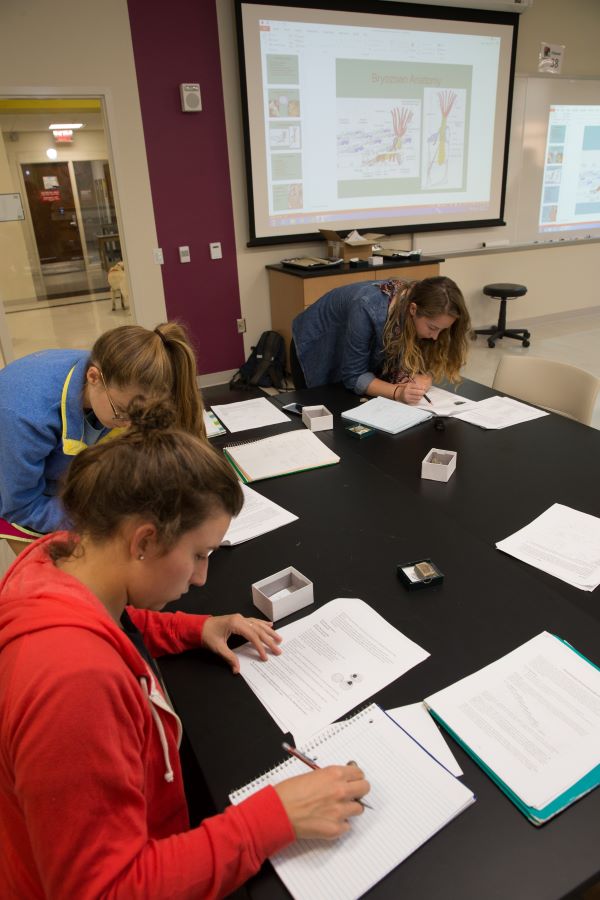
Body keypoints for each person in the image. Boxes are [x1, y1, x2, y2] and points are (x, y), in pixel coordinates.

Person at [0, 400, 370, 899]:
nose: (201, 578)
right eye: (199, 555)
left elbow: (116, 620)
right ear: (144, 541)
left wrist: (195, 629)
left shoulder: (60, 555)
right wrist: (273, 818)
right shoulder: (74, 687)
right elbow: (106, 890)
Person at [0, 321, 206, 547]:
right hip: (16, 493)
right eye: (123, 412)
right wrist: (101, 520)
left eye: (139, 415)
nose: (129, 424)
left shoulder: (115, 372)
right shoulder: (26, 418)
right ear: (93, 377)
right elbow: (21, 505)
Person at [290, 276, 471, 404]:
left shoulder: (415, 304)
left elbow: (414, 360)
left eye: (443, 330)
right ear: (413, 309)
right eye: (432, 328)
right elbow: (354, 376)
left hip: (351, 346)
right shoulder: (367, 307)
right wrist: (398, 392)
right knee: (323, 417)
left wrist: (423, 377)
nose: (435, 337)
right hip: (317, 343)